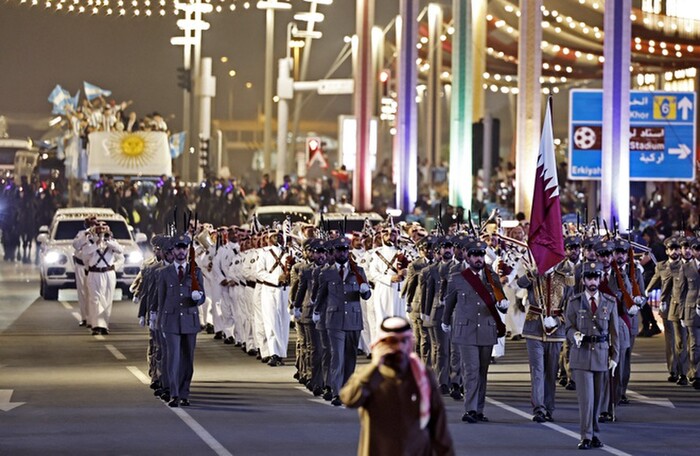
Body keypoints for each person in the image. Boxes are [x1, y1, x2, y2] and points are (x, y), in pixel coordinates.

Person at [340, 316, 454, 456]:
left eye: (404, 340)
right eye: (392, 341)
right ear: (381, 343)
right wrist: (375, 366)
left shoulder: (423, 376)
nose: (399, 347)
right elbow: (349, 399)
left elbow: (439, 429)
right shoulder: (368, 375)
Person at [442, 239, 509, 423]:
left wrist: (504, 306)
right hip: (466, 331)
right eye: (475, 255)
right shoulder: (457, 277)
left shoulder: (492, 277)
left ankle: (479, 409)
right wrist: (446, 321)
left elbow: (500, 300)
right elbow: (450, 302)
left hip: (487, 329)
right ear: (467, 256)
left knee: (482, 372)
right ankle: (470, 409)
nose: (478, 259)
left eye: (481, 255)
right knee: (471, 370)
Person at [565, 261, 619, 450]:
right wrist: (574, 335)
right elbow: (567, 328)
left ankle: (595, 434)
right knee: (586, 400)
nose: (593, 281)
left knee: (598, 401)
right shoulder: (574, 302)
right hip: (581, 355)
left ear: (600, 278)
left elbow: (615, 333)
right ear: (584, 279)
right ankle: (586, 436)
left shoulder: (609, 302)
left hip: (602, 355)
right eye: (589, 277)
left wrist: (615, 357)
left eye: (596, 277)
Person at [314, 237, 371, 406]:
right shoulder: (327, 272)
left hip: (353, 319)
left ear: (349, 251)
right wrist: (317, 311)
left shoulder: (358, 271)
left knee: (350, 358)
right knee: (337, 357)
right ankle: (336, 391)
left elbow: (366, 295)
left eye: (345, 250)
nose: (342, 253)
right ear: (334, 252)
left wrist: (365, 291)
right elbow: (321, 295)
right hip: (334, 320)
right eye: (339, 250)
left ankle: (347, 390)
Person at [156, 234, 206, 407]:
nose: (181, 251)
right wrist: (158, 322)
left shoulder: (195, 272)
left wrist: (197, 298)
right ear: (173, 250)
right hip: (170, 321)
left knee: (187, 360)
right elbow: (160, 299)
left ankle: (185, 393)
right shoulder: (164, 273)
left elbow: (203, 296)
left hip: (190, 321)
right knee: (173, 358)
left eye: (184, 248)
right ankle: (174, 394)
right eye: (178, 248)